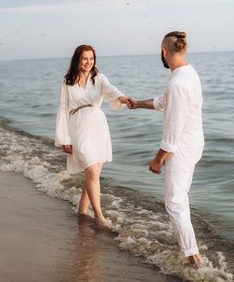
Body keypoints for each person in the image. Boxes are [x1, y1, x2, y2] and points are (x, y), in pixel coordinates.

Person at [127, 31, 204, 268]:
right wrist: (137, 103)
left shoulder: (179, 81)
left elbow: (174, 128)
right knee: (180, 199)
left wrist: (159, 158)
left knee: (174, 202)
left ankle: (194, 259)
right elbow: (164, 102)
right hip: (192, 143)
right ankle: (184, 245)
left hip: (182, 147)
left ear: (164, 51)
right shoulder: (187, 73)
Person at [55, 44, 129, 226]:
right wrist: (63, 138)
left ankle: (82, 209)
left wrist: (122, 98)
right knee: (91, 170)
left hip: (97, 126)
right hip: (77, 126)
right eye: (84, 58)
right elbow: (63, 109)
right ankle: (99, 216)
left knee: (93, 174)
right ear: (77, 60)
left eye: (91, 58)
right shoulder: (67, 81)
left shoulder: (99, 78)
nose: (88, 62)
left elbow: (111, 90)